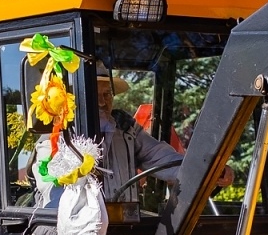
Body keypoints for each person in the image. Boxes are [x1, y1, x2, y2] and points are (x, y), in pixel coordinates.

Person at [94, 73, 232, 203]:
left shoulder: (125, 127)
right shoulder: (72, 133)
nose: (101, 102)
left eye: (106, 94)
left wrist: (209, 170)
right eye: (94, 94)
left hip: (126, 223)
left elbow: (160, 157)